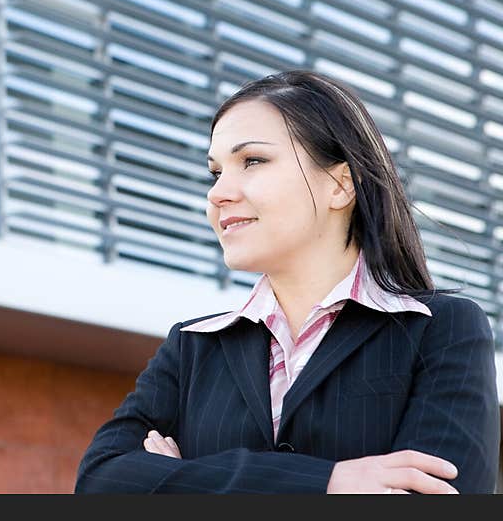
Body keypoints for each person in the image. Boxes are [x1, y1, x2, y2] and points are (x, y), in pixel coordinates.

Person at [74, 70, 500, 494]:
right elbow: (100, 483)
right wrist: (328, 483)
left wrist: (182, 485)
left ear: (340, 185)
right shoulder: (191, 348)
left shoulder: (441, 331)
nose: (218, 193)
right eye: (215, 172)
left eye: (252, 161)